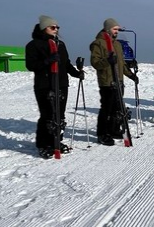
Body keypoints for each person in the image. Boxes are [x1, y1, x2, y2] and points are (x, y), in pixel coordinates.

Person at [25, 15, 83, 159]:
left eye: (57, 27)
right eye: (52, 27)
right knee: (47, 116)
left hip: (61, 84)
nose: (56, 29)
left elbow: (66, 63)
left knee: (59, 115)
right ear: (44, 28)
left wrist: (76, 73)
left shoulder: (60, 44)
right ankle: (43, 144)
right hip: (44, 85)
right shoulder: (34, 45)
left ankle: (56, 142)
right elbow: (31, 65)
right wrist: (47, 61)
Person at [90, 18, 138, 146]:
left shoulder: (117, 44)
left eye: (118, 29)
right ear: (108, 29)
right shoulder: (98, 43)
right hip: (107, 82)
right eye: (115, 29)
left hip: (119, 81)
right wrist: (107, 61)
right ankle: (102, 133)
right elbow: (95, 63)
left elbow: (121, 64)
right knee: (107, 109)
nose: (117, 31)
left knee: (117, 108)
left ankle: (114, 130)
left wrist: (131, 75)